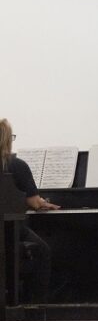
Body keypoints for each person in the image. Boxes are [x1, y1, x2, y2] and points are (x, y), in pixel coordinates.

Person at [0, 119, 58, 304]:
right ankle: (36, 302)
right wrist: (44, 203)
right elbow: (33, 202)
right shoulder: (16, 165)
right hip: (9, 230)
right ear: (8, 139)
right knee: (43, 251)